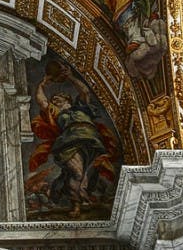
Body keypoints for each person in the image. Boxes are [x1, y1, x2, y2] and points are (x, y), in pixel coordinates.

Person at [27, 63, 116, 217]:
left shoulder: (80, 107)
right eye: (54, 100)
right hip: (69, 142)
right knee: (76, 173)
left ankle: (82, 201)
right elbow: (42, 101)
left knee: (87, 175)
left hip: (91, 140)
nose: (54, 101)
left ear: (67, 99)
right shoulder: (56, 113)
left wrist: (71, 77)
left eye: (58, 99)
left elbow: (84, 91)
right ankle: (76, 204)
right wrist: (41, 84)